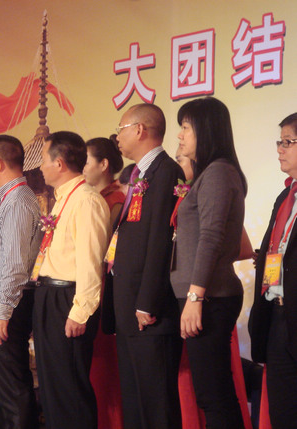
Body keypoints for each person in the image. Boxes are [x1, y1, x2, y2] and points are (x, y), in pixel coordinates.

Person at [171, 97, 247, 428]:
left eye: (186, 127)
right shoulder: (210, 174)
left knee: (214, 394)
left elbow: (211, 238)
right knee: (210, 392)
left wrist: (195, 296)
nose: (180, 135)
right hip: (203, 295)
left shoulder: (218, 173)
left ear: (207, 130)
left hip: (210, 296)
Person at [111, 103, 183, 429]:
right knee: (135, 399)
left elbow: (161, 241)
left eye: (121, 129)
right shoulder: (141, 173)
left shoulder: (166, 172)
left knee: (156, 403)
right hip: (129, 303)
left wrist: (147, 301)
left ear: (139, 130)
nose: (117, 137)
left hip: (149, 309)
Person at [33, 130, 109, 429]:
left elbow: (91, 262)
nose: (40, 166)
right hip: (49, 294)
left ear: (60, 163)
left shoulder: (86, 201)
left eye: (43, 159)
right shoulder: (64, 198)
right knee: (52, 387)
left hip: (68, 298)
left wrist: (80, 311)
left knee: (69, 388)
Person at [0, 135, 41, 429]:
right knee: (3, 382)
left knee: (11, 383)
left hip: (5, 299)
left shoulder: (18, 200)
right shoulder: (9, 197)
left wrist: (1, 311)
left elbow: (16, 264)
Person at [249, 112, 297, 427]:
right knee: (282, 413)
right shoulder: (285, 196)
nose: (280, 149)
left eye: (288, 142)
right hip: (278, 316)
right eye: (279, 142)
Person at [84, 136, 125, 429]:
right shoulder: (91, 198)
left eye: (86, 161)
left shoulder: (116, 201)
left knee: (104, 371)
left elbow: (102, 254)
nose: (81, 167)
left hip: (103, 291)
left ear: (104, 164)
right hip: (88, 289)